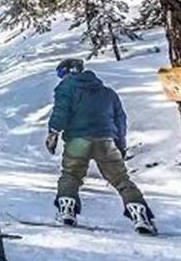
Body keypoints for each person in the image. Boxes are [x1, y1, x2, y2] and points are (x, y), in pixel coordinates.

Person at [46, 58, 156, 234]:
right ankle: (140, 215)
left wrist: (53, 132)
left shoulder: (66, 88)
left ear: (68, 72)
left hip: (77, 140)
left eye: (61, 73)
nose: (61, 78)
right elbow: (120, 120)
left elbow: (61, 111)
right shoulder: (107, 92)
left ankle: (67, 210)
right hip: (106, 141)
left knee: (71, 175)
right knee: (121, 179)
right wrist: (120, 144)